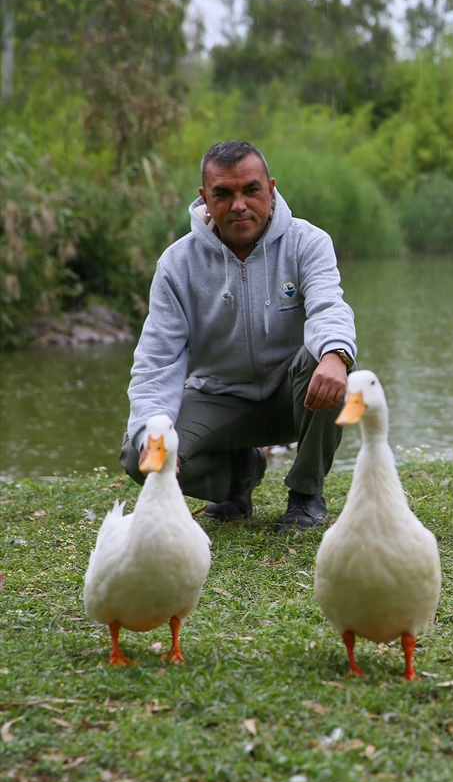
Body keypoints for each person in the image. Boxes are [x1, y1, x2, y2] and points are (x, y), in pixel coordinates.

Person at [119, 140, 357, 533]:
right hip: (220, 397)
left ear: (271, 188)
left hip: (293, 397)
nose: (239, 205)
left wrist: (336, 354)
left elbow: (329, 307)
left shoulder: (308, 242)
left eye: (251, 190)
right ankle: (239, 473)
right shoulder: (177, 264)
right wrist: (150, 431)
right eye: (223, 194)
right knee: (137, 456)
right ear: (205, 199)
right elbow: (157, 360)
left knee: (328, 359)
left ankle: (306, 495)